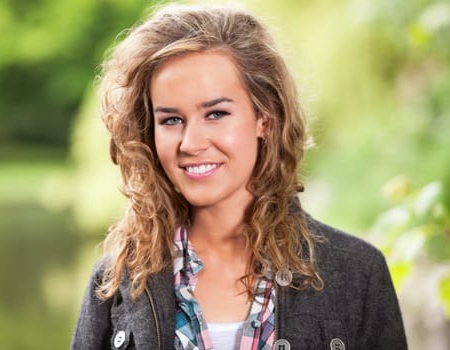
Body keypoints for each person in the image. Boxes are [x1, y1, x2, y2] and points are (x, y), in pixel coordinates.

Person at [71, 3, 407, 350]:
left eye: (216, 114)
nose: (191, 143)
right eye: (171, 120)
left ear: (265, 117)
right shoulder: (116, 282)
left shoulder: (357, 273)